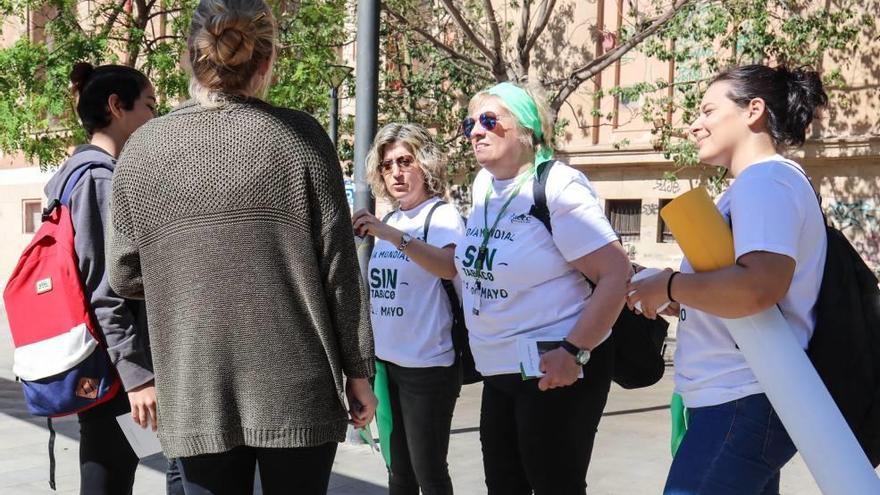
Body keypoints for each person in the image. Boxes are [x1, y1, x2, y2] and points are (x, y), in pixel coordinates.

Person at [105, 0, 377, 493]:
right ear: (268, 60)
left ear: (187, 57)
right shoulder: (301, 138)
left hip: (196, 385)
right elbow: (340, 272)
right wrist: (359, 372)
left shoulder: (141, 151)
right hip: (299, 385)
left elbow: (123, 275)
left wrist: (189, 269)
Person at [626, 64, 829, 495]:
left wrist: (667, 285)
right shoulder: (754, 185)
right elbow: (743, 297)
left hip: (742, 399)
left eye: (707, 110)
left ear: (753, 111)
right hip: (739, 397)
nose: (695, 124)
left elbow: (757, 288)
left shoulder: (765, 180)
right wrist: (671, 296)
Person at [455, 82, 631, 494]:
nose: (475, 132)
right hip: (499, 370)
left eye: (489, 120)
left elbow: (616, 274)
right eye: (470, 123)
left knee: (555, 485)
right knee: (503, 486)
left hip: (556, 371)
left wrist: (573, 352)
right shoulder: (483, 187)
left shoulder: (558, 186)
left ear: (527, 129)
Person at [42, 62, 173, 494]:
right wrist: (138, 377)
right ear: (117, 106)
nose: (155, 118)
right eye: (150, 106)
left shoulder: (75, 175)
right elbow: (105, 291)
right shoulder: (100, 180)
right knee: (109, 478)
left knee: (114, 471)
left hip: (103, 360)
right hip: (117, 369)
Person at [352, 123, 465, 495]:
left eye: (405, 161)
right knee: (397, 472)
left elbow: (448, 267)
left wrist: (391, 236)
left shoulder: (440, 216)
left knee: (428, 472)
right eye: (387, 165)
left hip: (427, 366)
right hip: (387, 365)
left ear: (425, 165)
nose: (396, 172)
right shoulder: (393, 220)